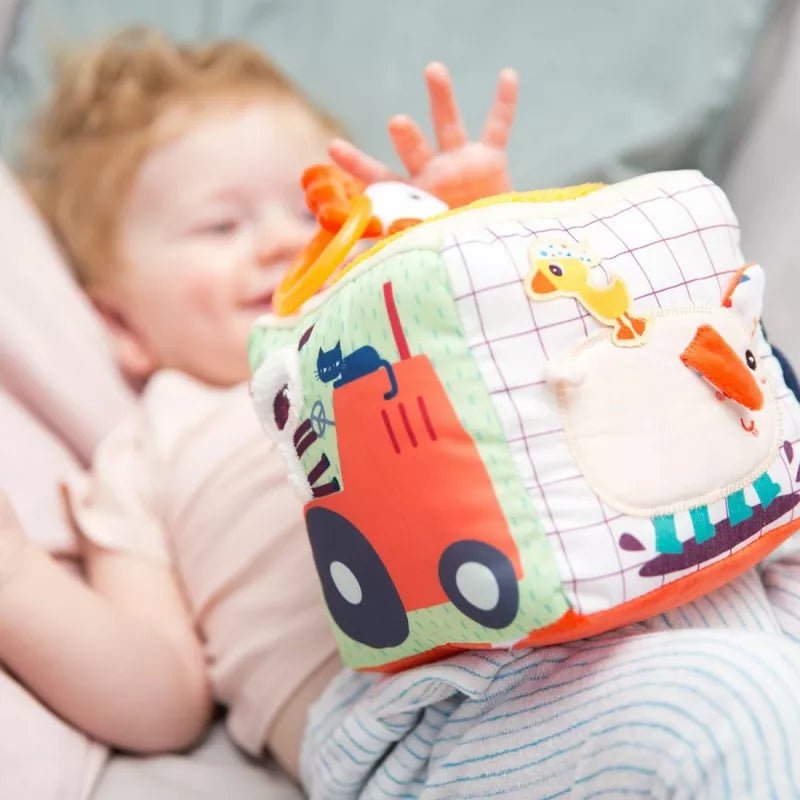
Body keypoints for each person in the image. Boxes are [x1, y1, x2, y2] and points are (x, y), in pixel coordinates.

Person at [0, 27, 519, 782]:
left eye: (313, 211)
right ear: (119, 324)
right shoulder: (149, 449)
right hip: (401, 730)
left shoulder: (405, 321)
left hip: (603, 597)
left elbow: (547, 364)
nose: (283, 242)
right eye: (221, 225)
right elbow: (162, 697)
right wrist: (16, 582)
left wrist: (475, 240)